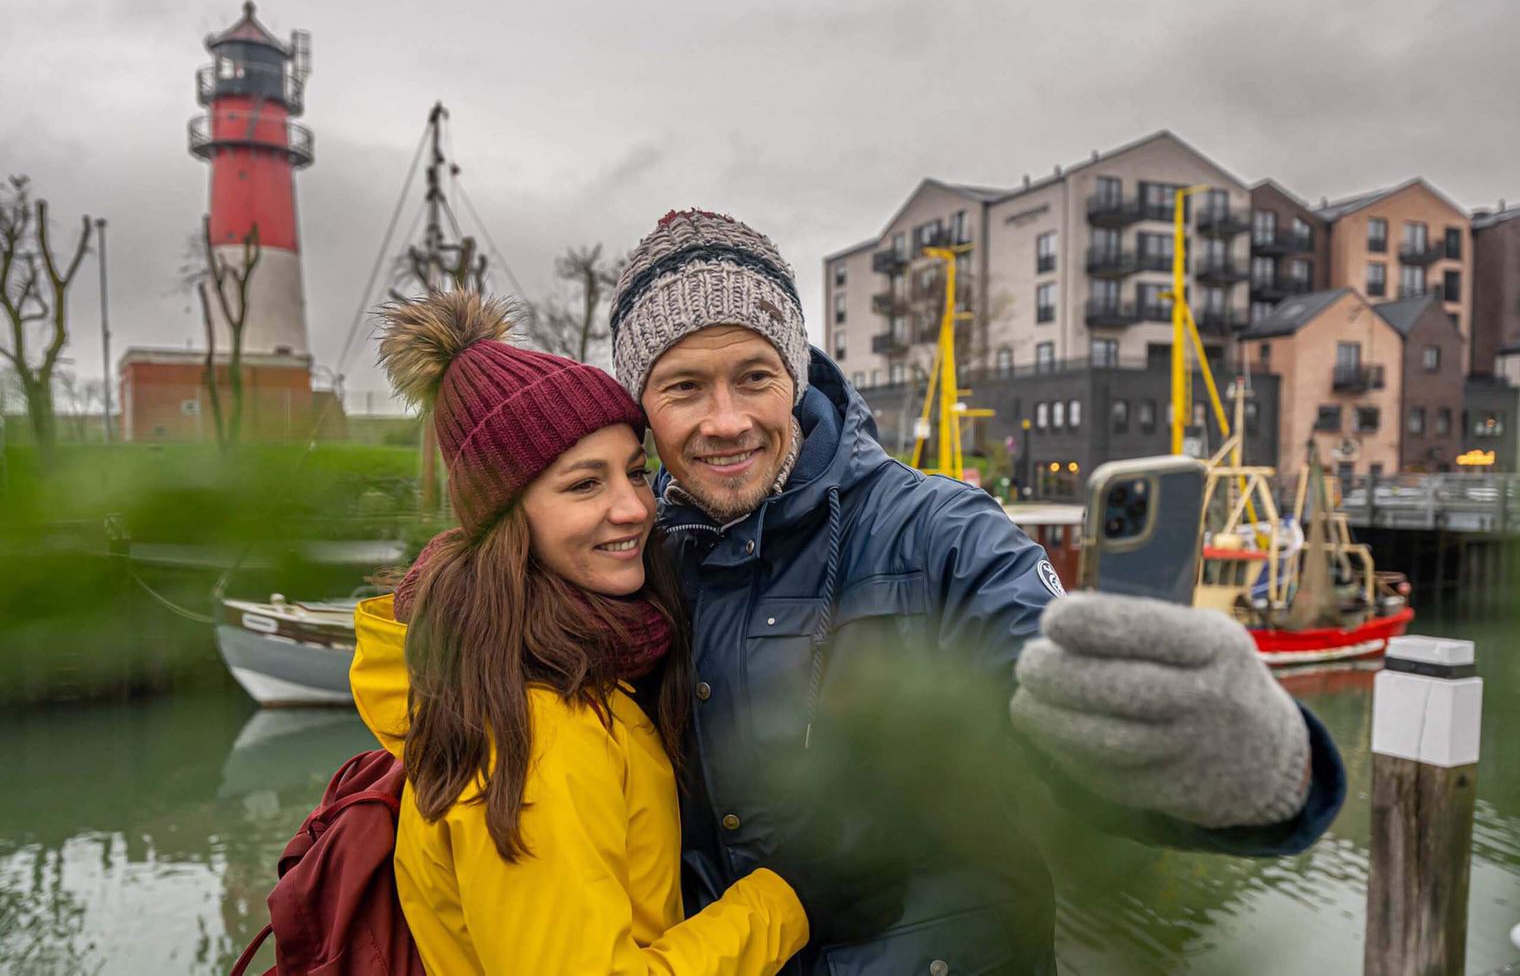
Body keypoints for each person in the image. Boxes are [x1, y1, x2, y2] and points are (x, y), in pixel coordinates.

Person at [606, 209, 1347, 974]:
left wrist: (1257, 770)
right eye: (685, 387)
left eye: (753, 377)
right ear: (642, 408)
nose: (726, 421)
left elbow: (1053, 705)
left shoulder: (941, 532)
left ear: (792, 375)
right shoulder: (631, 557)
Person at [348, 288, 810, 975]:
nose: (633, 508)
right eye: (583, 485)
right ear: (510, 518)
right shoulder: (540, 726)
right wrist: (783, 902)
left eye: (634, 472)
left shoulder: (552, 664)